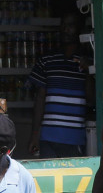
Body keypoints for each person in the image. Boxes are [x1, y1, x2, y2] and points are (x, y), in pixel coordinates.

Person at [27, 14, 92, 158]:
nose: (66, 29)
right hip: (47, 138)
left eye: (71, 25)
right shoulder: (47, 60)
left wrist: (88, 71)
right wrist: (35, 135)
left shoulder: (88, 61)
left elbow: (91, 99)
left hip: (75, 138)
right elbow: (39, 100)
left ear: (79, 30)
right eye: (63, 25)